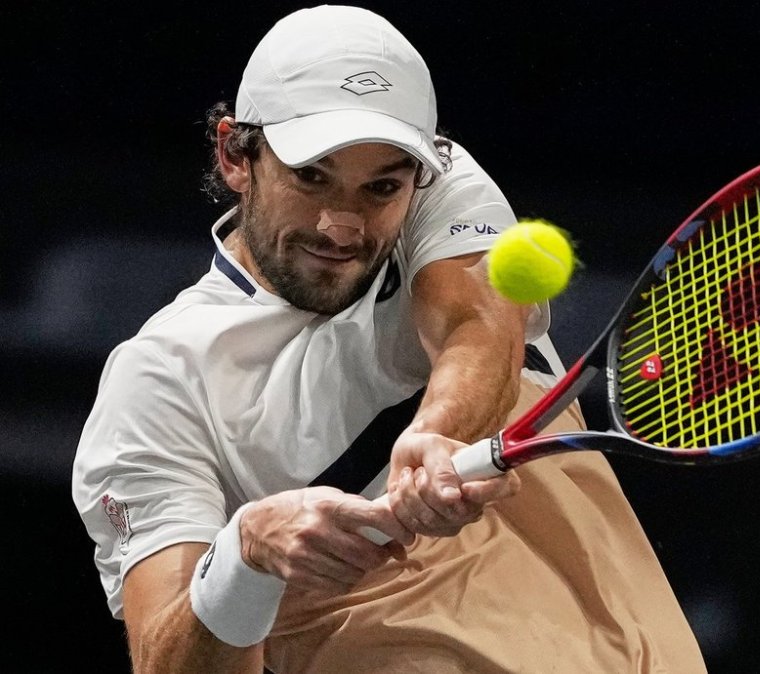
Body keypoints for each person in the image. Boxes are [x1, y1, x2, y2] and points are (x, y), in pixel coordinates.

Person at [72, 5, 706, 672]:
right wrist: (247, 553)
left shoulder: (442, 194)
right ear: (235, 154)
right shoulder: (157, 378)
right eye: (310, 176)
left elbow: (475, 322)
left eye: (380, 188)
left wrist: (437, 433)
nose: (341, 226)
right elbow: (165, 661)